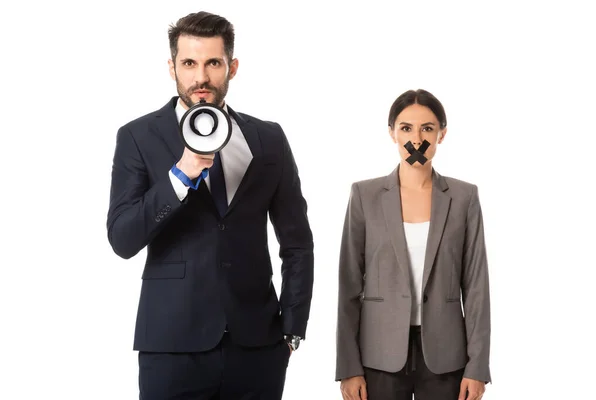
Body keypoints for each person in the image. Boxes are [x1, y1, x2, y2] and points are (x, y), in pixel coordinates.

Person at [106, 11, 314, 400]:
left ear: (231, 67)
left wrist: (292, 330)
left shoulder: (268, 138)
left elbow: (297, 243)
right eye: (189, 63)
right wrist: (180, 176)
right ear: (172, 68)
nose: (201, 77)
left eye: (213, 63)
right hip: (171, 345)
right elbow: (122, 238)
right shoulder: (138, 136)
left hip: (257, 347)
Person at [335, 89, 491, 400]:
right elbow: (349, 286)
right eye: (406, 127)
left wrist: (477, 367)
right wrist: (348, 366)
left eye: (427, 128)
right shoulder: (365, 196)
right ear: (392, 132)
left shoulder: (464, 198)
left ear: (441, 135)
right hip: (378, 355)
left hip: (446, 357)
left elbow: (476, 288)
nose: (416, 138)